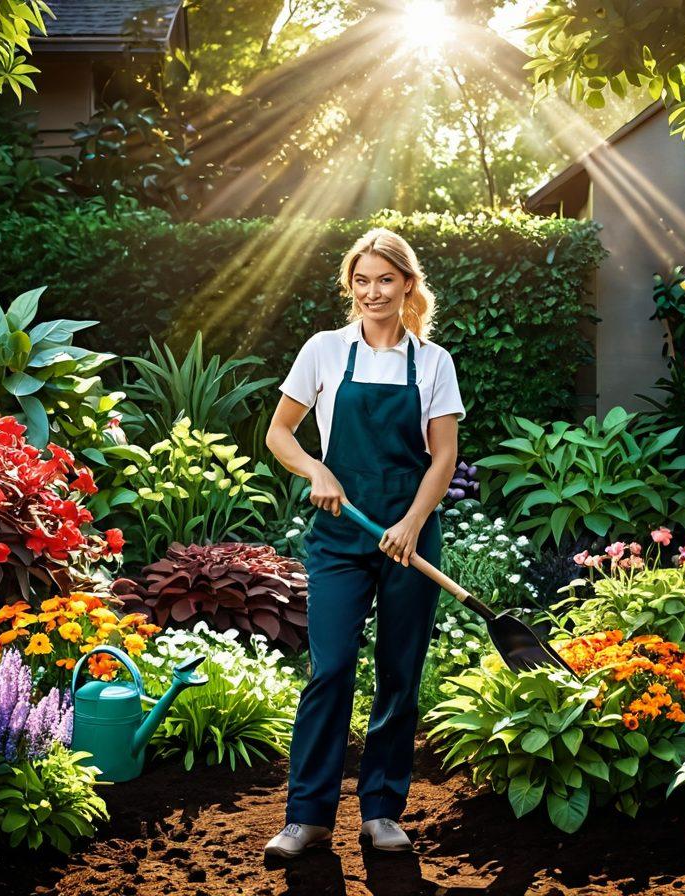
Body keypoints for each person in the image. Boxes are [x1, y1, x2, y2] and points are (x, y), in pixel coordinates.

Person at [262, 227, 465, 860]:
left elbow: (444, 456)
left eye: (385, 279)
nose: (373, 291)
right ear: (351, 286)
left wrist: (408, 525)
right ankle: (308, 816)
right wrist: (317, 470)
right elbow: (280, 434)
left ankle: (381, 810)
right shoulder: (325, 350)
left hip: (410, 536)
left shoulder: (432, 362)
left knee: (400, 673)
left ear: (408, 284)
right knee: (330, 668)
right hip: (341, 535)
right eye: (361, 280)